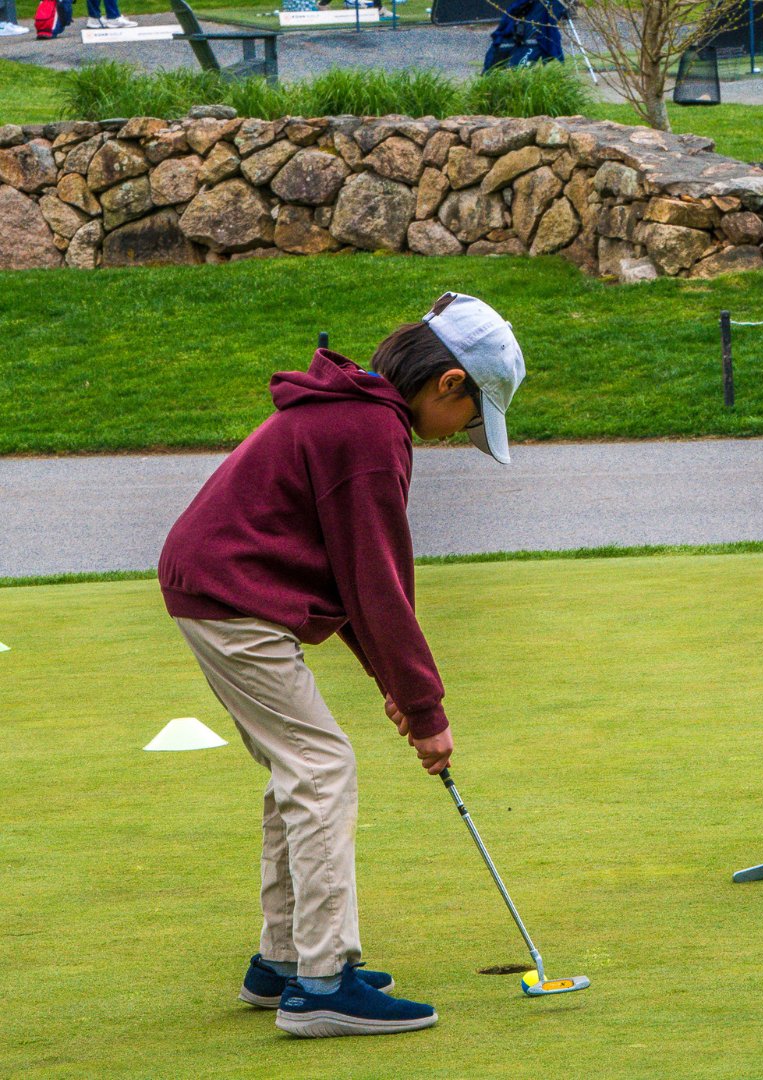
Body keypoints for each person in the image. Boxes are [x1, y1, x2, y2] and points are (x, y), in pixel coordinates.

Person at [158, 292, 525, 1037]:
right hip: (233, 597)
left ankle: (285, 961)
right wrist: (425, 711)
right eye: (471, 417)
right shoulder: (368, 434)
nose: (460, 436)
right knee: (322, 767)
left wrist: (394, 684)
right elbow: (378, 582)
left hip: (217, 589)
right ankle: (323, 983)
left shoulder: (357, 413)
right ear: (449, 384)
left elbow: (354, 582)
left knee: (301, 767)